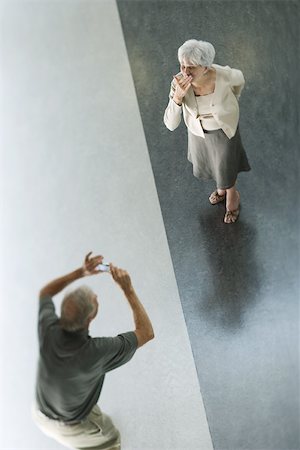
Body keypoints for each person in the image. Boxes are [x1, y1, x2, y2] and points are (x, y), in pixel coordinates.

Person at [32, 251, 154, 450]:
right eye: (95, 300)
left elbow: (45, 292)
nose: (96, 295)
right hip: (72, 428)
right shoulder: (97, 351)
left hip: (40, 413)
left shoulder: (48, 330)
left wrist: (81, 272)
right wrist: (128, 289)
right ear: (91, 318)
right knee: (110, 439)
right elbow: (146, 332)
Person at [164, 39, 251, 223]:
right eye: (182, 65)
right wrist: (178, 97)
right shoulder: (178, 83)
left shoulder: (223, 75)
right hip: (198, 134)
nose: (185, 71)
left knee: (226, 166)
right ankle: (221, 190)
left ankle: (232, 196)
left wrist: (232, 102)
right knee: (212, 164)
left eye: (191, 67)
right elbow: (170, 124)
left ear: (205, 67)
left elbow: (239, 80)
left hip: (224, 131)